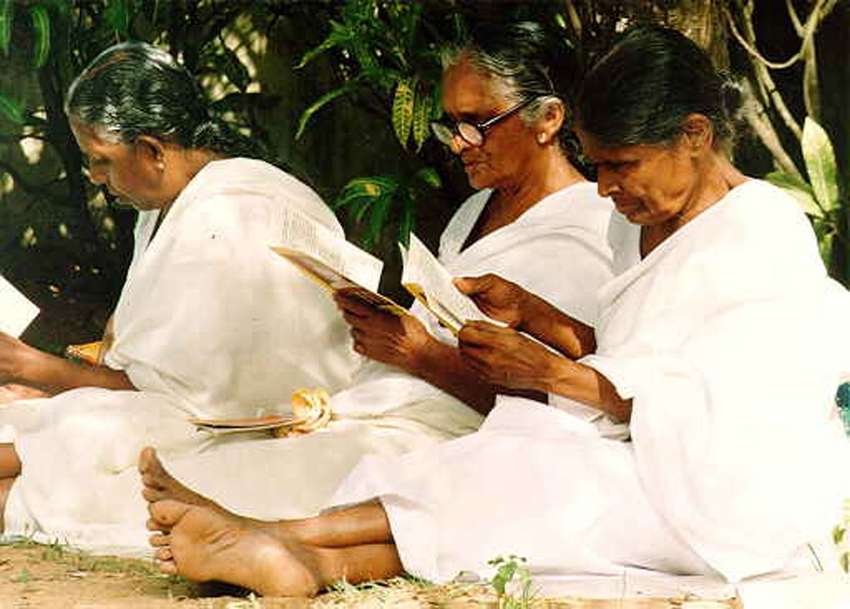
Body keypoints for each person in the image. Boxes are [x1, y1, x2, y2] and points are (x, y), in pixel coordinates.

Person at [144, 25, 850, 596]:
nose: (604, 188)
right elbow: (644, 346)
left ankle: (270, 528)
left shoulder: (763, 231)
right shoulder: (633, 220)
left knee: (529, 466)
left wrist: (552, 374)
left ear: (695, 136)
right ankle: (297, 555)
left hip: (731, 489)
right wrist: (540, 316)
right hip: (645, 450)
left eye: (622, 165)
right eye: (596, 165)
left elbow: (718, 402)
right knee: (512, 452)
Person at [136, 21, 617, 527]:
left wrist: (420, 354)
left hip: (467, 439)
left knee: (256, 477)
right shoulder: (473, 210)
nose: (458, 144)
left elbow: (561, 406)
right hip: (400, 406)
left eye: (477, 123)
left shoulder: (590, 225)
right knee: (217, 458)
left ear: (548, 119)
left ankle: (232, 527)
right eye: (450, 125)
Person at [0, 42, 359, 552]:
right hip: (172, 416)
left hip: (245, 434)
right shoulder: (171, 202)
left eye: (99, 161)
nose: (95, 178)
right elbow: (148, 372)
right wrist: (47, 381)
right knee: (45, 418)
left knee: (79, 434)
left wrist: (33, 368)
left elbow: (190, 405)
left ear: (152, 149)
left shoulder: (233, 213)